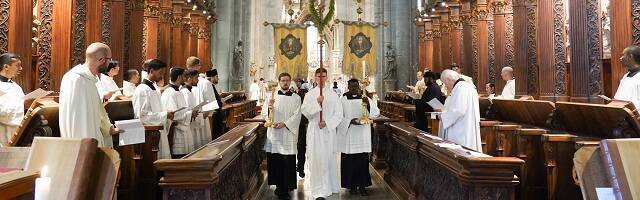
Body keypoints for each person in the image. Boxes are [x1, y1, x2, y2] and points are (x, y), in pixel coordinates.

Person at [59, 42, 121, 148]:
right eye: (109, 60)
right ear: (101, 60)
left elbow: (96, 109)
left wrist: (108, 128)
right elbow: (78, 120)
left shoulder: (89, 80)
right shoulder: (77, 80)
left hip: (91, 137)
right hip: (82, 143)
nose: (110, 63)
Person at [301, 68, 343, 200]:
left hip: (328, 131)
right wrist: (317, 103)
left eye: (323, 76)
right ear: (314, 77)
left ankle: (330, 186)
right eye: (318, 76)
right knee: (315, 158)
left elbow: (339, 114)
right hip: (314, 129)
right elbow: (305, 112)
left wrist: (327, 122)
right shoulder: (310, 95)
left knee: (328, 157)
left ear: (327, 77)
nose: (321, 78)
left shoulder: (333, 95)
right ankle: (318, 188)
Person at [262, 73, 302, 200]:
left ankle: (287, 187)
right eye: (283, 80)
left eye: (287, 80)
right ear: (279, 81)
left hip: (288, 133)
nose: (285, 82)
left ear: (290, 82)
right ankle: (279, 186)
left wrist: (285, 124)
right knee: (276, 160)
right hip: (274, 133)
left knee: (288, 161)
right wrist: (269, 111)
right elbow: (264, 113)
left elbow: (297, 115)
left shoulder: (296, 98)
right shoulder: (271, 96)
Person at [337, 78, 380, 196]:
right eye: (352, 86)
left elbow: (376, 113)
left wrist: (369, 106)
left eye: (356, 86)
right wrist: (350, 121)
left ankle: (362, 186)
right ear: (348, 87)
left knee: (362, 162)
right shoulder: (343, 100)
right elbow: (338, 116)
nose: (354, 88)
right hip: (349, 135)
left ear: (359, 87)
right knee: (349, 161)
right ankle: (351, 186)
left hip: (362, 134)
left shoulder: (365, 98)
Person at [133, 59, 175, 159]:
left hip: (158, 131)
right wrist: (165, 115)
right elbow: (142, 116)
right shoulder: (142, 90)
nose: (162, 76)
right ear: (151, 71)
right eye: (160, 73)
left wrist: (167, 114)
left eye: (163, 73)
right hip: (150, 135)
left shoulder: (154, 88)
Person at [437, 70, 482, 152]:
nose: (445, 86)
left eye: (445, 83)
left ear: (449, 79)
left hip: (461, 130)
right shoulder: (467, 87)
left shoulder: (461, 88)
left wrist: (442, 116)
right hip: (465, 126)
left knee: (461, 152)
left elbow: (458, 110)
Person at [161, 68, 197, 157]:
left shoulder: (177, 91)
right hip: (177, 131)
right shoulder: (170, 92)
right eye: (183, 76)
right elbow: (173, 115)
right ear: (179, 77)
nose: (185, 79)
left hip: (184, 128)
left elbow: (182, 109)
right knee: (179, 157)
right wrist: (190, 114)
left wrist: (190, 113)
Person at [181, 69, 211, 148]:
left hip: (192, 121)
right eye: (196, 78)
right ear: (189, 79)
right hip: (187, 124)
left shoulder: (190, 90)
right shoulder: (184, 92)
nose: (198, 80)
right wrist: (194, 114)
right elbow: (185, 111)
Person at [0, 53, 24, 146]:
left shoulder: (17, 87)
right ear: (6, 66)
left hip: (17, 134)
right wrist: (22, 105)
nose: (21, 68)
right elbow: (2, 113)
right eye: (17, 65)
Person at [203, 68, 224, 139]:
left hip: (217, 114)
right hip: (214, 115)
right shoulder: (209, 86)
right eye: (217, 77)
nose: (218, 79)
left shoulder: (211, 86)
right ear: (212, 77)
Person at [294, 78, 309, 178]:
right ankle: (292, 167)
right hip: (290, 124)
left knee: (301, 147)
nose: (297, 83)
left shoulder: (305, 93)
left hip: (301, 123)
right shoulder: (290, 93)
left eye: (299, 82)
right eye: (296, 82)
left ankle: (301, 168)